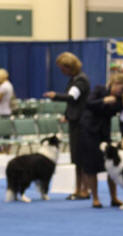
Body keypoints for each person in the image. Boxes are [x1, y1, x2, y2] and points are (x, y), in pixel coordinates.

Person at [79, 73, 123, 208]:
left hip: (104, 133)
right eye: (121, 88)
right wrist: (103, 101)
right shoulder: (99, 90)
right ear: (114, 83)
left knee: (111, 164)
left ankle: (114, 198)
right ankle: (95, 198)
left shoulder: (122, 101)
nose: (122, 91)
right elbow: (87, 104)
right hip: (89, 131)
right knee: (92, 166)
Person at [44, 52, 90, 200]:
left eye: (62, 68)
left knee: (82, 158)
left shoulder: (80, 81)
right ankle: (78, 189)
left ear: (69, 67)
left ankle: (84, 190)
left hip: (82, 123)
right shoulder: (74, 79)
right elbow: (74, 103)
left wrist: (54, 96)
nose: (61, 71)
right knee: (77, 158)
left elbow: (72, 97)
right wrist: (67, 115)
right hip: (75, 121)